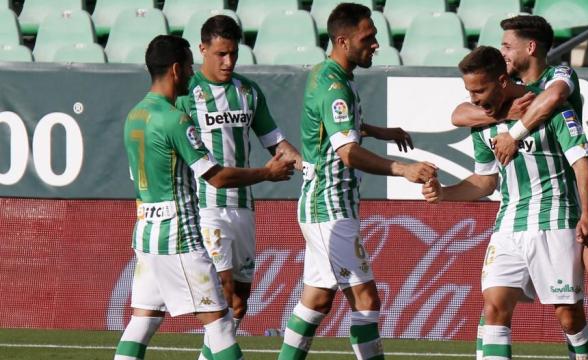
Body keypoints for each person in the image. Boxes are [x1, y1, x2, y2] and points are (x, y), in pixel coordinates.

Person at [451, 15, 588, 360]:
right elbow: (459, 114)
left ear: (531, 47)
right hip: (522, 212)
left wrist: (514, 133)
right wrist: (501, 117)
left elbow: (551, 99)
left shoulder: (560, 78)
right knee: (500, 305)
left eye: (508, 45)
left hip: (579, 196)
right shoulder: (503, 93)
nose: (503, 51)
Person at [116, 35, 294, 360]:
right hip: (178, 237)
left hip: (145, 233)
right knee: (221, 324)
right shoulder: (175, 119)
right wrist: (266, 173)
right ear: (175, 69)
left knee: (142, 322)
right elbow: (216, 176)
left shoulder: (134, 117)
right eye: (187, 66)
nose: (191, 72)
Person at [277, 4, 437, 360]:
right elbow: (348, 152)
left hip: (325, 203)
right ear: (343, 41)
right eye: (368, 38)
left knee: (317, 299)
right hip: (329, 206)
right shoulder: (336, 86)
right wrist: (403, 169)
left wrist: (380, 131)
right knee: (366, 299)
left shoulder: (326, 74)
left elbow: (338, 126)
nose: (376, 44)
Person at [425, 46, 588, 359]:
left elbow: (581, 162)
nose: (474, 99)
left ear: (503, 80)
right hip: (508, 225)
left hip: (555, 219)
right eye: (469, 91)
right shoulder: (483, 122)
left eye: (480, 90)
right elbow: (485, 181)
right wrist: (444, 193)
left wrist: (586, 213)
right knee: (494, 307)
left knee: (568, 316)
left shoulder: (549, 107)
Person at [176, 14, 302, 341]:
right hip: (206, 206)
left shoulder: (248, 91)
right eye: (221, 54)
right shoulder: (186, 93)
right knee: (223, 292)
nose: (228, 61)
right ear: (202, 49)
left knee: (240, 302)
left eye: (233, 53)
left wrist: (305, 165)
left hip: (243, 207)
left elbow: (274, 140)